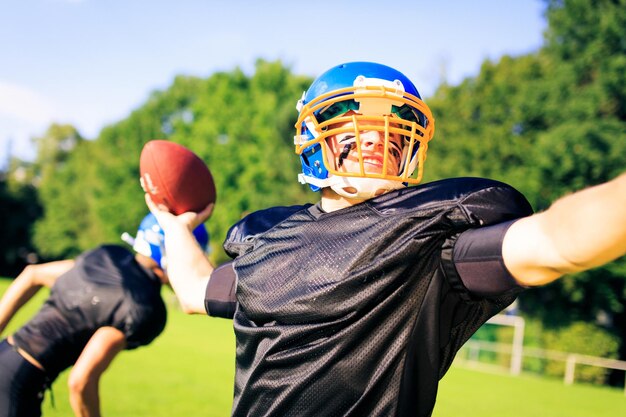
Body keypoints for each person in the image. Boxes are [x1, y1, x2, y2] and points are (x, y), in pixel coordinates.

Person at [145, 62, 626, 417]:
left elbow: (559, 240)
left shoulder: (431, 244)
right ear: (314, 140)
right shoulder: (268, 238)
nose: (375, 141)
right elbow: (192, 290)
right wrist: (172, 223)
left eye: (391, 133)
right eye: (356, 129)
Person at [0, 213, 209, 417]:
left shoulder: (108, 256)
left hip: (5, 352)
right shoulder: (145, 308)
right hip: (18, 386)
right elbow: (80, 382)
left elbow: (33, 275)